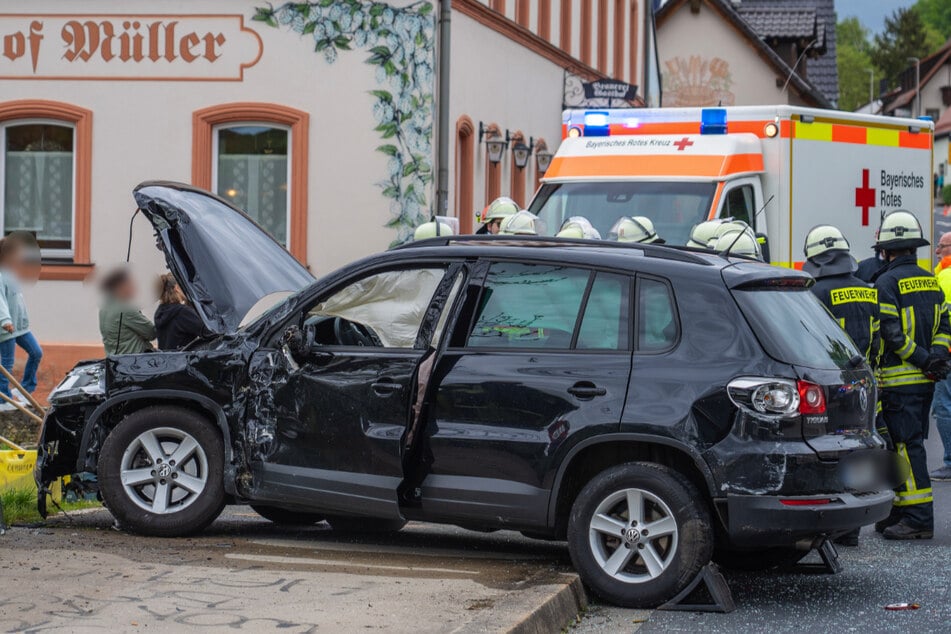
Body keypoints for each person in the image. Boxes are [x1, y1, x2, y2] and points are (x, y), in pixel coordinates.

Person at [873, 210, 951, 540]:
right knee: (909, 445)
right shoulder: (930, 280)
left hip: (899, 381)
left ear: (888, 251)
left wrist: (920, 359)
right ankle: (901, 512)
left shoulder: (886, 282)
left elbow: (891, 333)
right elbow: (945, 326)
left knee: (907, 446)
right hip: (926, 381)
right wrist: (934, 358)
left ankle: (918, 517)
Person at [802, 225, 881, 546]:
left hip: (831, 385)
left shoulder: (815, 293)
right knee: (860, 451)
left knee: (830, 452)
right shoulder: (868, 289)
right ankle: (853, 525)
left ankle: (832, 524)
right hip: (864, 381)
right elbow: (878, 341)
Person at [0, 233, 42, 411]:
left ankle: (24, 390)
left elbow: (17, 299)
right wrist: (5, 320)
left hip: (20, 327)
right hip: (7, 327)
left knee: (36, 352)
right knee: (7, 365)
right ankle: (4, 400)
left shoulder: (11, 273)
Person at [930, 232, 951, 482]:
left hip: (947, 352)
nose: (936, 251)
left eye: (941, 247)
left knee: (944, 407)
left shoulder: (944, 277)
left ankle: (949, 462)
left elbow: (939, 321)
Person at [99, 268, 156, 355]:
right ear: (121, 287)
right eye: (131, 284)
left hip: (115, 361)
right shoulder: (126, 309)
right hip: (134, 362)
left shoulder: (104, 307)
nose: (135, 287)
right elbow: (152, 333)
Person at [154, 273, 205, 351]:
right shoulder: (182, 312)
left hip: (166, 360)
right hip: (185, 360)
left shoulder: (159, 312)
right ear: (177, 288)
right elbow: (207, 331)